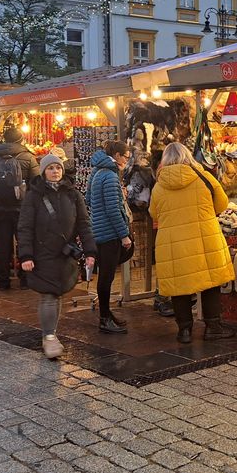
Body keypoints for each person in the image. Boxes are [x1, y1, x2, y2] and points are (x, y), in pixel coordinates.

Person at [149, 142, 235, 343]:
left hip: (173, 242)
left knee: (179, 287)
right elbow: (222, 204)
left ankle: (184, 331)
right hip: (205, 237)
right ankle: (213, 327)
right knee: (210, 282)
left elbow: (154, 213)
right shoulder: (204, 177)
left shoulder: (159, 185)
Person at [18, 155, 97, 358]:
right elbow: (25, 227)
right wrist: (26, 254)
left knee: (59, 291)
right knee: (49, 294)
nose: (55, 171)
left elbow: (84, 224)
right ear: (43, 171)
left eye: (58, 168)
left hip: (65, 253)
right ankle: (49, 336)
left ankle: (51, 334)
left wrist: (90, 251)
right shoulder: (34, 196)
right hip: (42, 253)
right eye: (51, 168)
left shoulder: (72, 194)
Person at [87, 141, 134, 332]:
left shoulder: (96, 172)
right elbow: (113, 209)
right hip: (109, 233)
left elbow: (89, 199)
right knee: (106, 277)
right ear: (116, 155)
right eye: (125, 156)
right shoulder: (110, 176)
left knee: (105, 276)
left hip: (98, 230)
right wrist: (124, 235)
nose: (126, 160)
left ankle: (107, 315)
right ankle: (105, 318)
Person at [0, 127, 39, 290]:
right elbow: (36, 184)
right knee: (24, 242)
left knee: (3, 244)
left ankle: (3, 280)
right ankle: (26, 278)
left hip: (0, 208)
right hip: (22, 208)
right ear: (21, 139)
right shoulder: (28, 157)